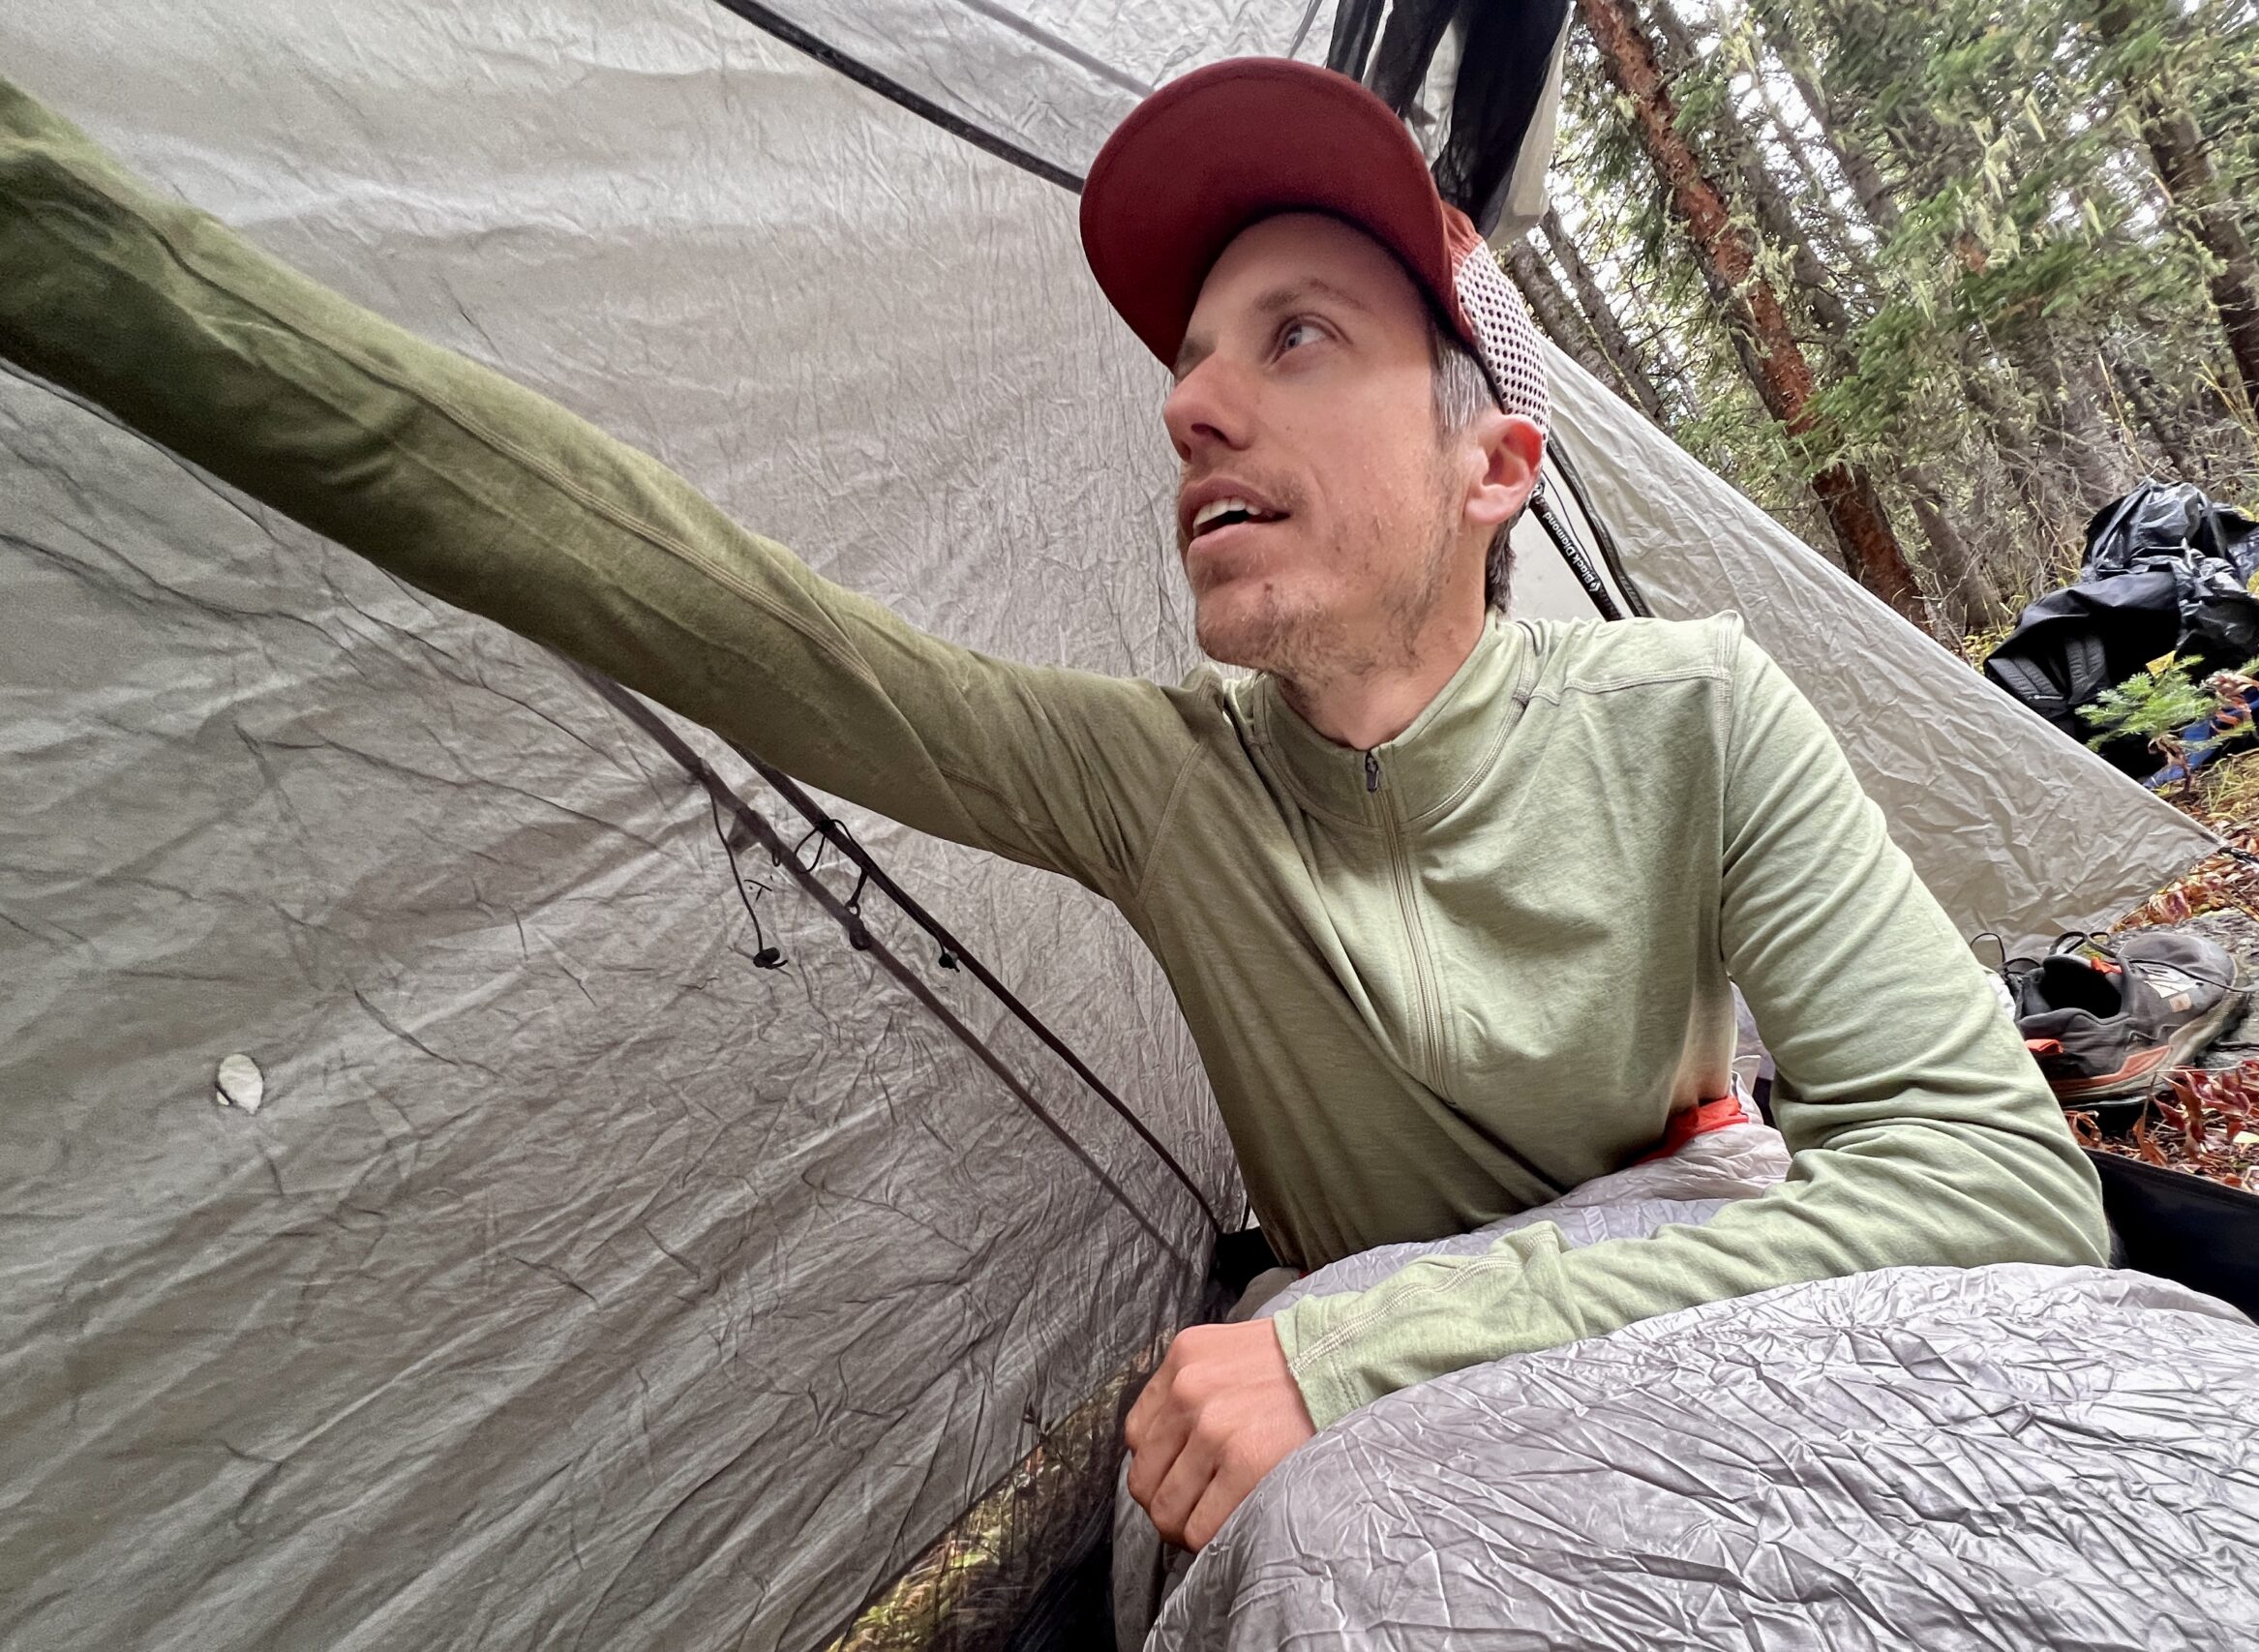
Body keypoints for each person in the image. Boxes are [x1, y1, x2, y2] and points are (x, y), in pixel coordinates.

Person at [0, 58, 2106, 1557]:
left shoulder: (1694, 710)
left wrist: (1387, 1335)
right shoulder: (1147, 778)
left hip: (1634, 1311)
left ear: (1495, 466)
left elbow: (1997, 1187)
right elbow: (662, 580)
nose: (1191, 401)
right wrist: (62, 242)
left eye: (1297, 337)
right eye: (1190, 359)